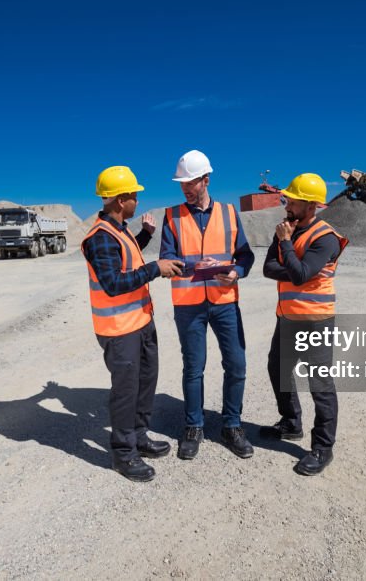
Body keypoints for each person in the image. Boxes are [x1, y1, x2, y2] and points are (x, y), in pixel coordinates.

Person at [82, 165, 184, 482]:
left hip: (140, 323)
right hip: (119, 330)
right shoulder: (99, 237)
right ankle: (123, 454)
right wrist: (156, 268)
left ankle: (139, 437)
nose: (137, 200)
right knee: (126, 391)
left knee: (145, 383)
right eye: (133, 196)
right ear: (118, 199)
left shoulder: (120, 230)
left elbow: (126, 255)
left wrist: (146, 235)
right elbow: (113, 282)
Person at [160, 150, 256, 459]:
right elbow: (167, 260)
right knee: (194, 368)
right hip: (188, 304)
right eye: (182, 183)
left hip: (224, 301)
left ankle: (232, 425)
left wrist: (235, 270)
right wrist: (195, 264)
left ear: (206, 179)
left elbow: (246, 255)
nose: (185, 188)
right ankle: (194, 426)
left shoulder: (229, 213)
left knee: (237, 365)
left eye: (191, 181)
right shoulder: (172, 216)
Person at [261, 173, 348, 476]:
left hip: (315, 321)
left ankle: (323, 448)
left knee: (319, 384)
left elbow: (300, 274)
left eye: (293, 200)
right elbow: (268, 268)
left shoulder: (325, 238)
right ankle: (291, 422)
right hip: (287, 317)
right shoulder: (287, 228)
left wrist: (285, 245)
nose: (286, 203)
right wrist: (288, 255)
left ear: (310, 206)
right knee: (278, 370)